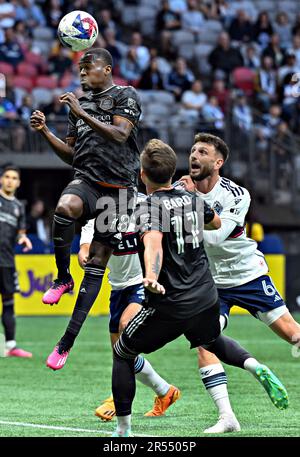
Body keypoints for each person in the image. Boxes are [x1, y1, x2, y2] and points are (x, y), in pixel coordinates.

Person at [111, 139, 288, 437]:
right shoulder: (193, 199)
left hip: (171, 301)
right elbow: (217, 223)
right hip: (206, 295)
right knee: (210, 340)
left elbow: (153, 244)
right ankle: (254, 365)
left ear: (142, 175)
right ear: (173, 172)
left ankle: (123, 430)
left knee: (122, 352)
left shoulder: (148, 206)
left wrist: (152, 276)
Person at [30, 48, 141, 368]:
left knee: (96, 263)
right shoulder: (78, 105)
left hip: (119, 190)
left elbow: (121, 134)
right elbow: (71, 154)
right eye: (78, 70)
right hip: (88, 180)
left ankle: (65, 344)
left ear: (106, 69)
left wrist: (81, 112)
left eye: (86, 68)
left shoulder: (125, 95)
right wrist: (45, 133)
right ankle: (63, 277)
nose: (80, 74)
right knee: (65, 207)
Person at [180, 132, 298, 432]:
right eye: (193, 151)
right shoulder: (180, 191)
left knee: (292, 334)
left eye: (203, 152)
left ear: (218, 162)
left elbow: (216, 237)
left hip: (247, 274)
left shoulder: (236, 194)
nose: (195, 156)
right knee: (204, 340)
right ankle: (227, 417)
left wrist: (188, 205)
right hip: (211, 282)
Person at [79, 201, 180, 421]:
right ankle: (165, 391)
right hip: (117, 288)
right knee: (120, 354)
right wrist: (84, 255)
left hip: (143, 283)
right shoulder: (97, 213)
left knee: (126, 327)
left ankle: (118, 401)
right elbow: (85, 246)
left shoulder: (142, 205)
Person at [0, 165, 32, 357]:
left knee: (9, 304)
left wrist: (23, 238)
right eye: (7, 176)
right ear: (1, 179)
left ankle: (11, 346)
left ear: (18, 183)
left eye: (14, 178)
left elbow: (21, 233)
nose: (10, 180)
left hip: (6, 261)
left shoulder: (19, 207)